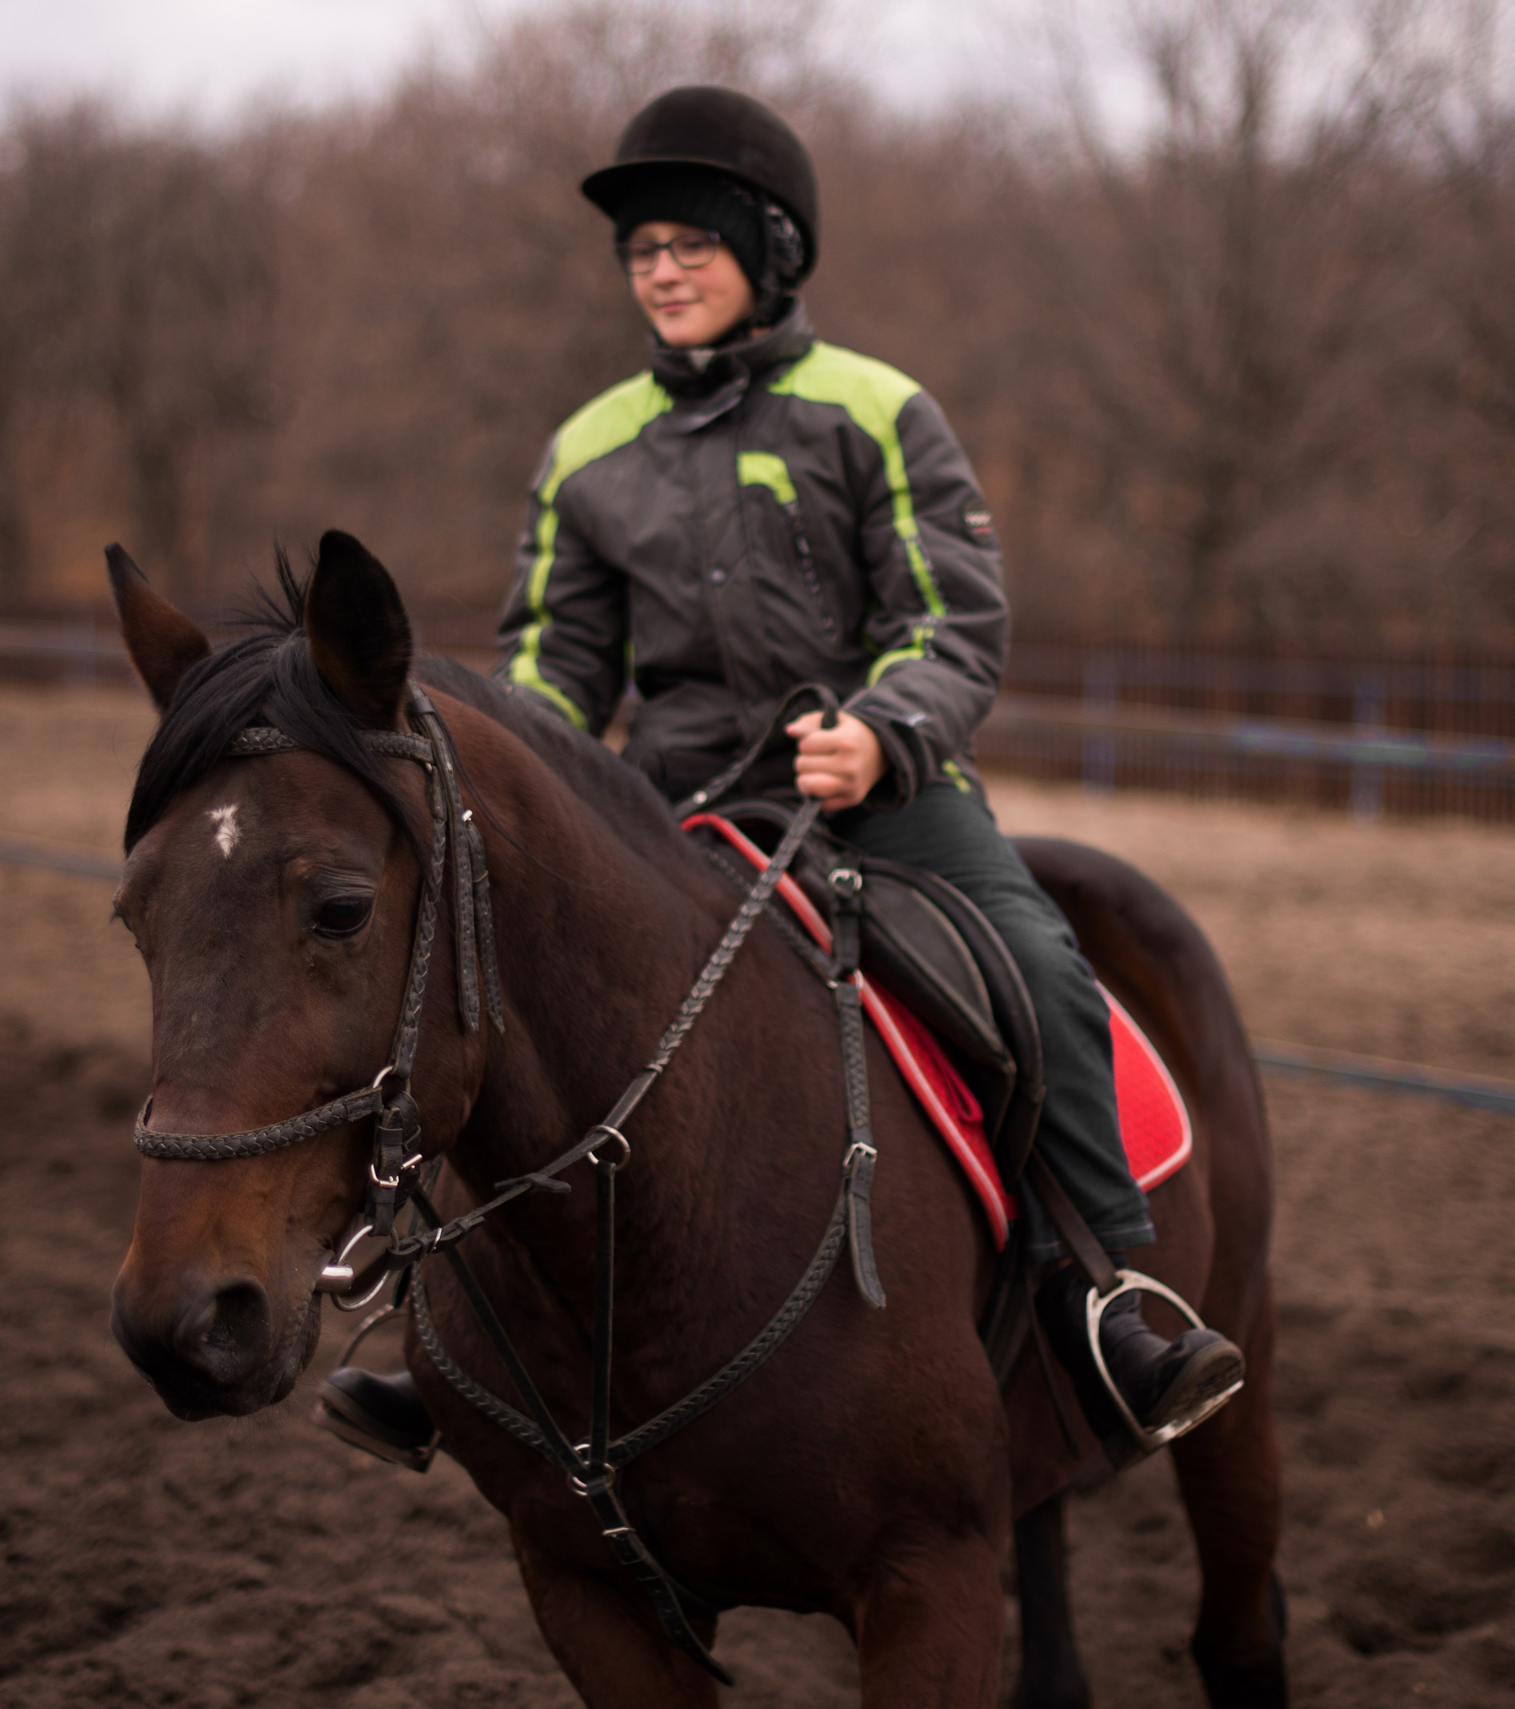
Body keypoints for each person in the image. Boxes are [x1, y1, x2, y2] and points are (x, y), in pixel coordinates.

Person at [321, 85, 1241, 1468]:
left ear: (771, 251)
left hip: (881, 788)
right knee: (501, 1003)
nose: (664, 271)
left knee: (1043, 966)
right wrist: (511, 775)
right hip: (667, 809)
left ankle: (1105, 1287)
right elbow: (556, 667)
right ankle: (446, 1330)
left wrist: (882, 729)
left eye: (692, 243)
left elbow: (955, 618)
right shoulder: (585, 450)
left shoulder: (877, 410)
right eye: (643, 252)